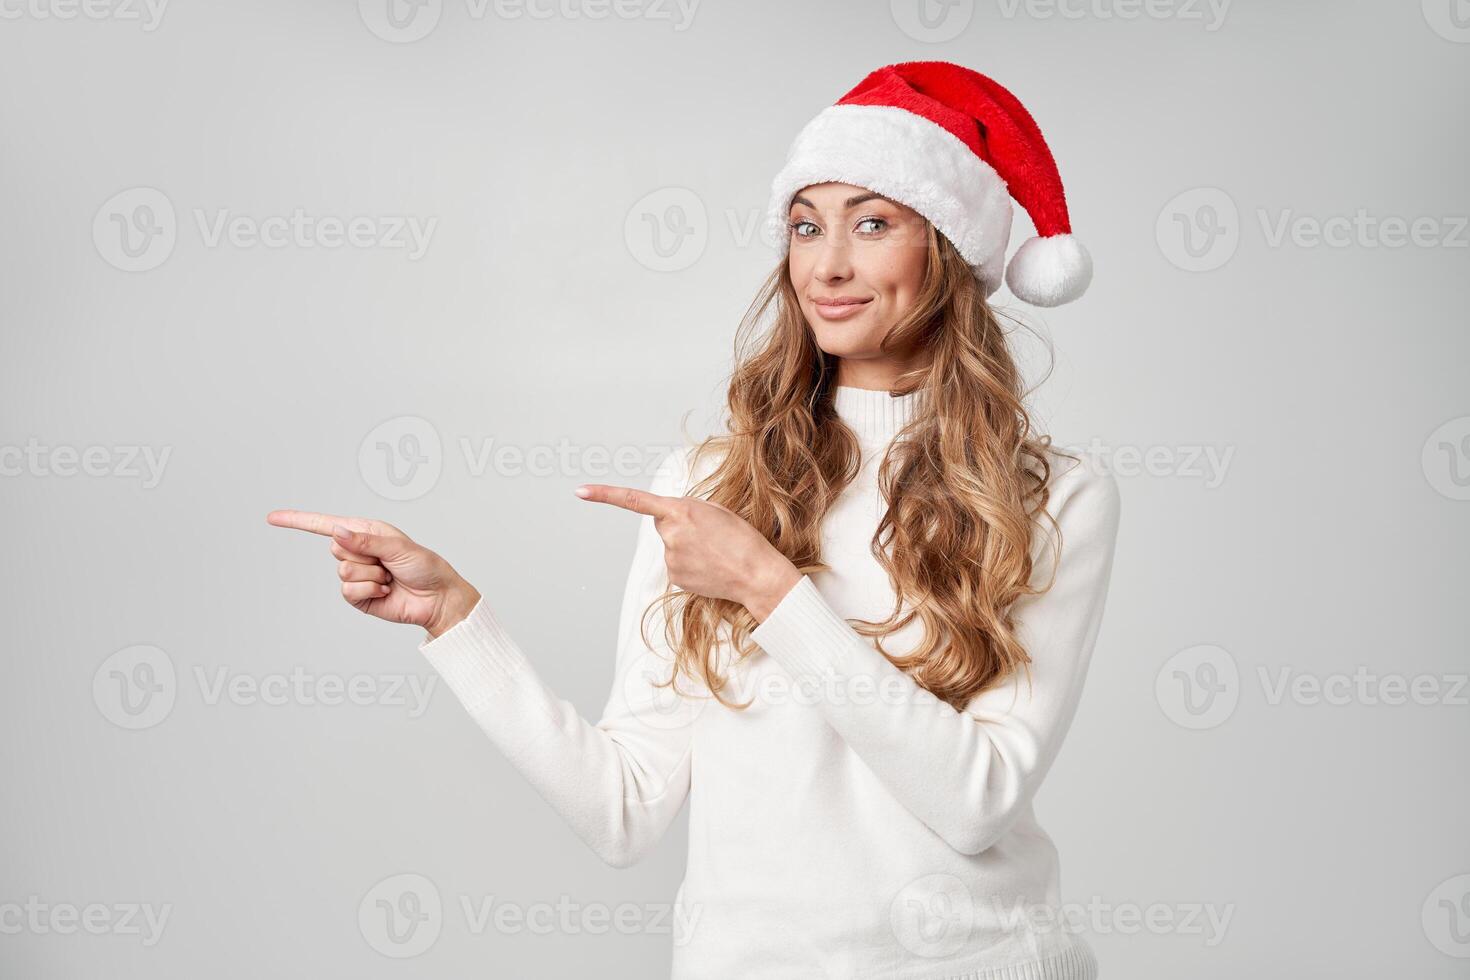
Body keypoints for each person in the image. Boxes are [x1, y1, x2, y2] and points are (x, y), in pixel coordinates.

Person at [268, 60, 1122, 980]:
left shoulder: (1052, 495)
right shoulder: (711, 484)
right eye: (805, 226)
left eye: (874, 224)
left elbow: (976, 801)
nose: (826, 264)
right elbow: (624, 809)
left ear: (949, 251)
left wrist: (767, 587)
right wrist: (454, 619)